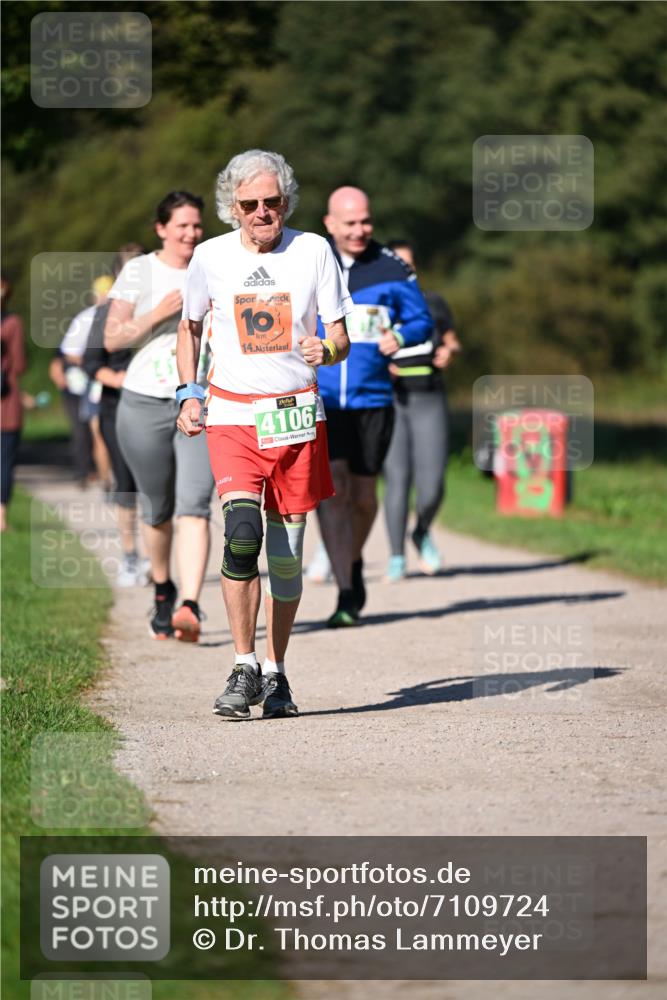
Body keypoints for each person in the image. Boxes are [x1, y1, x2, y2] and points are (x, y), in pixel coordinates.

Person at [177, 149, 351, 720]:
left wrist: (323, 349)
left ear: (285, 203)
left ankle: (276, 674)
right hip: (232, 417)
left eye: (271, 203)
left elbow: (340, 338)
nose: (261, 213)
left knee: (285, 557)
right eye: (249, 204)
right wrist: (188, 392)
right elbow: (190, 327)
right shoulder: (209, 256)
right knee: (242, 534)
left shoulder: (314, 250)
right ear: (232, 206)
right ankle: (243, 663)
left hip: (296, 415)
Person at [315, 188, 433, 626]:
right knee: (333, 492)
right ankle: (346, 587)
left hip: (373, 399)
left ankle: (354, 558)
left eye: (365, 221)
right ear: (330, 223)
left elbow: (421, 318)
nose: (360, 230)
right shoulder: (310, 259)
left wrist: (400, 338)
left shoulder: (391, 266)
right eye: (350, 223)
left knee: (363, 497)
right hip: (322, 400)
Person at [105, 191, 214, 641]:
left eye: (196, 225)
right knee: (158, 508)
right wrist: (158, 313)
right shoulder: (139, 271)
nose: (191, 234)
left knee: (196, 503)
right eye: (182, 226)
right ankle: (163, 588)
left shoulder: (215, 264)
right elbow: (112, 339)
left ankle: (190, 603)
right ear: (161, 229)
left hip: (201, 400)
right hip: (143, 401)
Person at [383, 239, 462, 580]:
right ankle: (397, 556)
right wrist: (378, 365)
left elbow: (451, 339)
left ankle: (422, 529)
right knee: (397, 480)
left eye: (409, 264)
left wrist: (450, 351)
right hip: (392, 401)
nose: (405, 270)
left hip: (429, 396)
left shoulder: (434, 303)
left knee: (432, 485)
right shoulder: (376, 306)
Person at [83, 244, 150, 586]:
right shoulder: (105, 314)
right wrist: (123, 379)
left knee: (158, 485)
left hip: (159, 406)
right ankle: (130, 556)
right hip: (117, 407)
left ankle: (158, 556)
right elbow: (92, 364)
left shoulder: (166, 305)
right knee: (126, 483)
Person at [49, 278, 113, 488]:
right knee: (87, 430)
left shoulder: (120, 316)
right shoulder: (86, 318)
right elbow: (67, 352)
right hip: (84, 383)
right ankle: (88, 473)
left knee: (100, 430)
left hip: (107, 381)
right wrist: (93, 362)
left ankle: (106, 476)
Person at [1, 275, 27, 532]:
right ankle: (1, 518)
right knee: (5, 462)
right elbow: (19, 365)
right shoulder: (12, 324)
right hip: (6, 405)